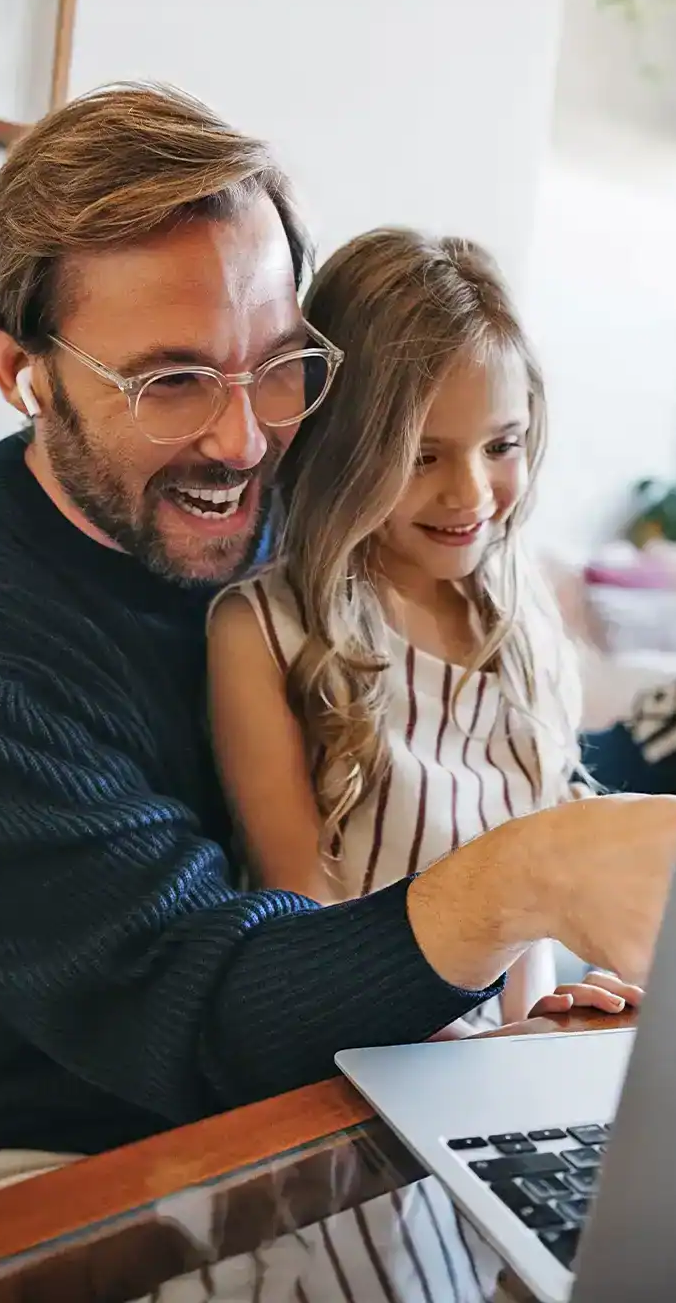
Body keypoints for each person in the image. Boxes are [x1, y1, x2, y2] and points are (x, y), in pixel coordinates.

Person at [0, 83, 676, 1257]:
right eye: (172, 381)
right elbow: (206, 1014)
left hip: (306, 1104)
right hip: (2, 1176)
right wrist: (523, 881)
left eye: (279, 364)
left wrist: (596, 900)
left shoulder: (289, 529)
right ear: (22, 370)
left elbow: (448, 759)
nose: (245, 439)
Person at [209, 228, 639, 1034]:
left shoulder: (522, 619)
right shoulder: (263, 631)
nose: (471, 493)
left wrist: (544, 1020)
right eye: (422, 456)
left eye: (501, 445)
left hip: (496, 1064)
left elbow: (529, 905)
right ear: (344, 450)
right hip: (358, 1057)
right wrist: (487, 1048)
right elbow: (303, 924)